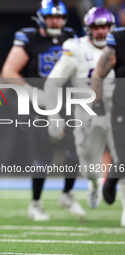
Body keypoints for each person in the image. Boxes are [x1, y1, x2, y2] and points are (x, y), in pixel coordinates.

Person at [1, 0, 83, 221]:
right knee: (43, 154)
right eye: (51, 17)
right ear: (41, 18)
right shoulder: (29, 37)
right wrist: (31, 92)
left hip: (65, 101)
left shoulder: (69, 36)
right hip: (36, 103)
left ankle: (67, 193)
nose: (55, 21)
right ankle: (36, 203)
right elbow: (9, 70)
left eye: (58, 17)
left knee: (76, 147)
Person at [44, 7, 118, 210]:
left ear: (113, 28)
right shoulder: (76, 48)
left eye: (105, 27)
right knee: (89, 168)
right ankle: (94, 184)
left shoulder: (120, 45)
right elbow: (52, 83)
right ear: (88, 28)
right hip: (87, 115)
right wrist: (53, 116)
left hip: (117, 112)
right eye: (97, 27)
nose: (102, 32)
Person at [91, 26, 125, 226]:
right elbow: (99, 73)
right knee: (124, 156)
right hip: (122, 107)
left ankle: (113, 175)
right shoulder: (120, 39)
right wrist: (97, 102)